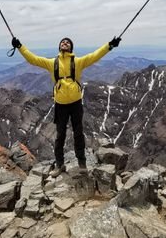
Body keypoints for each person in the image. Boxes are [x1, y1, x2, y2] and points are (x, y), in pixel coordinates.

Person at [11, 36, 121, 177]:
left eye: (68, 42)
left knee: (78, 134)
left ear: (71, 48)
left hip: (75, 104)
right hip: (61, 105)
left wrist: (110, 45)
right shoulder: (52, 63)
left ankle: (82, 164)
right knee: (60, 136)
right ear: (59, 46)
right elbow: (33, 59)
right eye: (63, 42)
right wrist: (20, 46)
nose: (65, 43)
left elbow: (95, 56)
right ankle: (60, 165)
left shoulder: (77, 62)